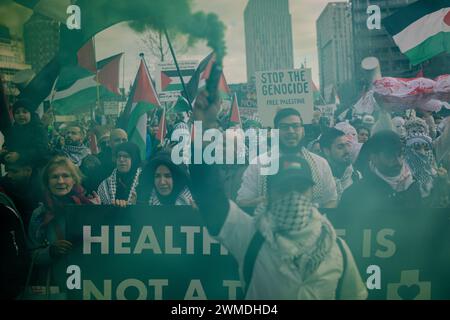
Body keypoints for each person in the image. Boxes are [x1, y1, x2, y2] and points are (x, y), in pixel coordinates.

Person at [190, 90, 367, 300]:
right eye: (284, 188)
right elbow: (211, 198)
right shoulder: (251, 237)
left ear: (312, 191)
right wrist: (203, 128)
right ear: (270, 193)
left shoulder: (336, 248)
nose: (294, 196)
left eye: (300, 188)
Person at [237, 108, 338, 210]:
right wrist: (267, 202)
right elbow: (243, 202)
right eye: (284, 127)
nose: (290, 131)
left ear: (303, 131)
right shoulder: (258, 164)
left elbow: (331, 200)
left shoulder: (320, 164)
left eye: (295, 126)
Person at [28, 156, 99, 296]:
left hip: (88, 284)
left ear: (74, 179)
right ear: (47, 182)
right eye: (54, 177)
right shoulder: (40, 215)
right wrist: (50, 251)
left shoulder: (88, 208)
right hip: (55, 286)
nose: (60, 181)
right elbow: (32, 254)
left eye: (65, 176)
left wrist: (118, 209)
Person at [340, 131, 422, 213]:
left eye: (400, 154)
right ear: (374, 158)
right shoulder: (355, 194)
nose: (398, 162)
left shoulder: (412, 185)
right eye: (389, 156)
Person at [0, 153, 44, 230]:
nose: (9, 175)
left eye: (14, 171)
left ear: (28, 170)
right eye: (7, 171)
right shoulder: (3, 185)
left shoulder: (43, 187)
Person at [1, 99, 49, 168]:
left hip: (34, 171)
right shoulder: (12, 131)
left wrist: (19, 156)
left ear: (31, 114)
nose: (21, 114)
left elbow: (42, 150)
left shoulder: (38, 129)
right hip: (14, 171)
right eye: (17, 112)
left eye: (25, 112)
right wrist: (4, 154)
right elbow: (6, 147)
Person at [320, 128, 362, 202]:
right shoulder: (319, 178)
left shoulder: (356, 175)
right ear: (326, 151)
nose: (347, 151)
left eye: (348, 145)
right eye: (340, 147)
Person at [97, 142, 142, 206]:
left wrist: (135, 205)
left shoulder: (143, 182)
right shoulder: (106, 185)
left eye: (126, 156)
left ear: (134, 159)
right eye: (119, 156)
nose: (121, 159)